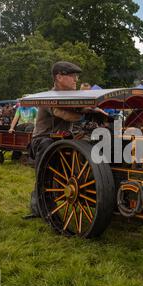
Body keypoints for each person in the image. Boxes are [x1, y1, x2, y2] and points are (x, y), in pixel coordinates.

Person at [25, 61, 85, 220]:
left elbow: (86, 108)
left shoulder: (73, 96)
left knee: (87, 141)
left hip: (63, 139)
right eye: (72, 76)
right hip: (43, 139)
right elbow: (62, 113)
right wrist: (85, 114)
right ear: (59, 77)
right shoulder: (47, 97)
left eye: (76, 76)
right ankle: (42, 205)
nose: (76, 80)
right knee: (48, 146)